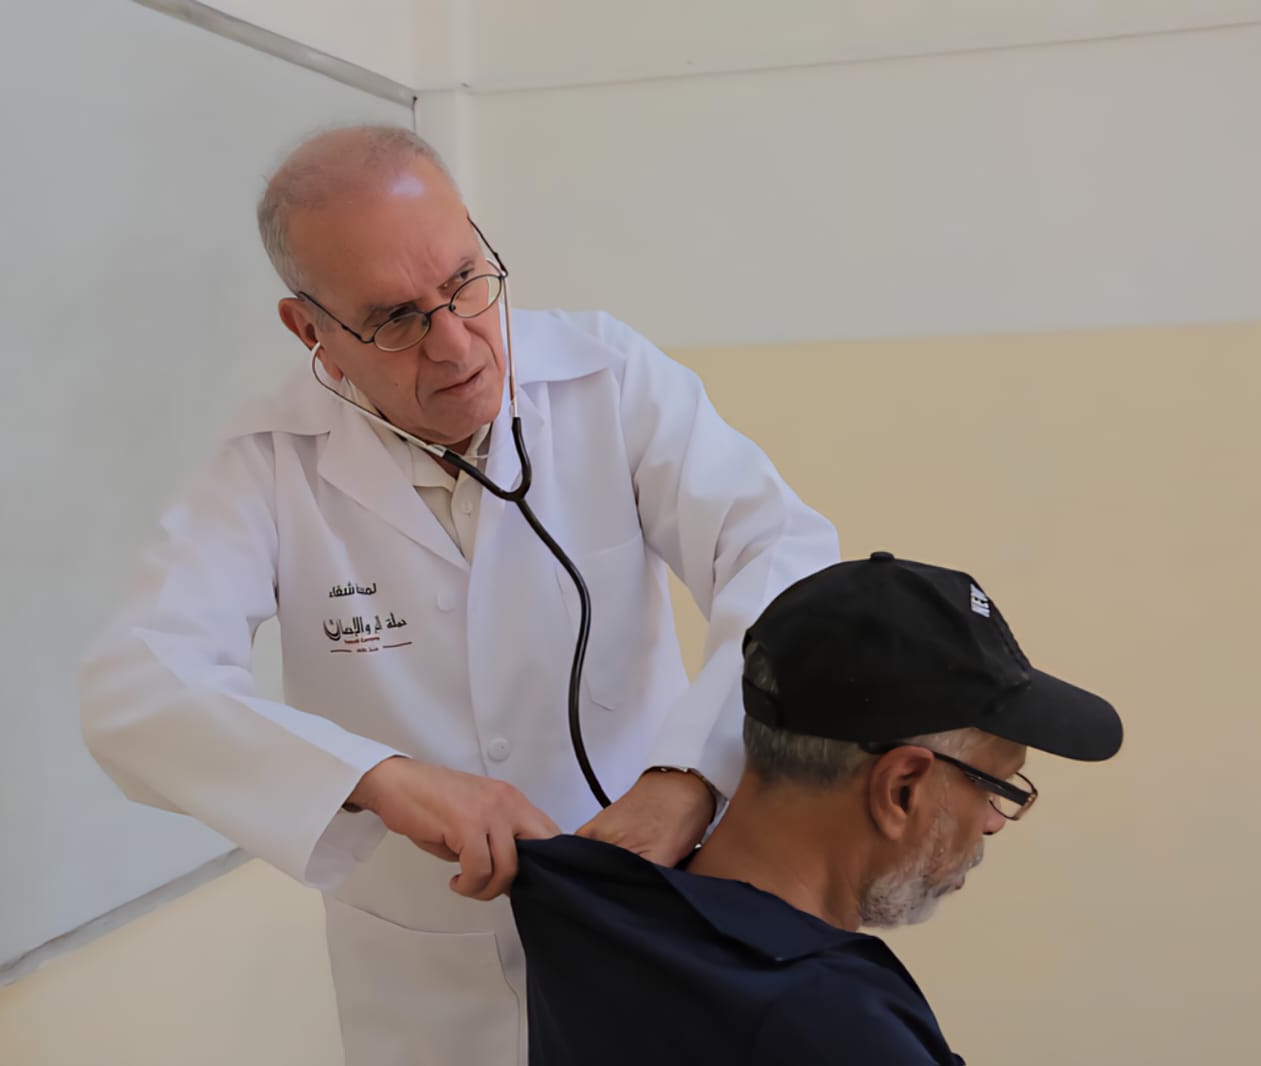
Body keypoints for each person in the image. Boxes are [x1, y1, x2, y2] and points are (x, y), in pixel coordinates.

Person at [78, 124, 839, 1064]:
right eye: (395, 318)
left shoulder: (608, 382)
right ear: (311, 330)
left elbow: (787, 562)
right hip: (428, 982)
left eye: (465, 282)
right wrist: (376, 778)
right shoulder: (268, 464)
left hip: (648, 913)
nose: (454, 344)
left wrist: (690, 774)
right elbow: (137, 686)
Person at [510, 551, 1124, 1065]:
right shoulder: (837, 1027)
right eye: (997, 789)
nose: (992, 822)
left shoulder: (592, 904)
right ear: (901, 789)